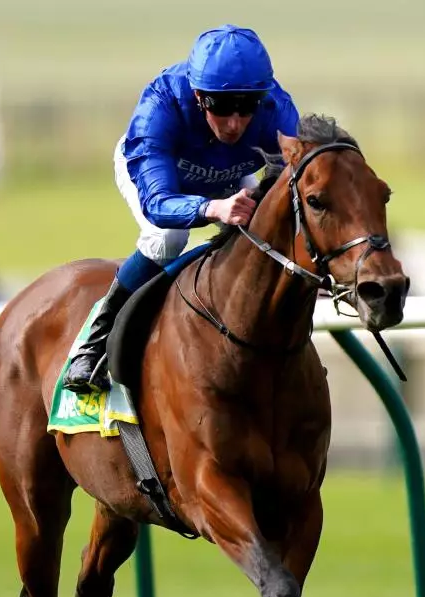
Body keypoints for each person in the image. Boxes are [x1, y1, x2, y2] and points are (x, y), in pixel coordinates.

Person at [62, 25, 300, 394]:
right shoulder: (160, 107)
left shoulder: (276, 109)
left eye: (247, 105)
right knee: (168, 238)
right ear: (199, 96)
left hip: (229, 178)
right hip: (157, 177)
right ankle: (91, 344)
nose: (235, 123)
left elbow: (296, 180)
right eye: (221, 107)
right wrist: (213, 208)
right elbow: (158, 203)